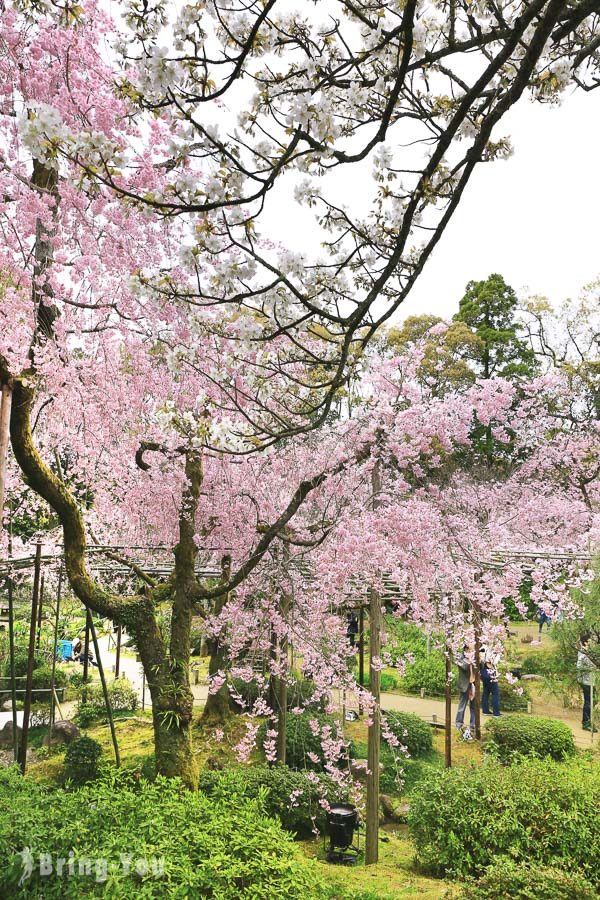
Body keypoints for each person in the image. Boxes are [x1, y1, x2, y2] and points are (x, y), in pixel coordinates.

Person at [577, 633, 597, 732]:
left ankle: (588, 720)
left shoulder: (588, 652)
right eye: (590, 641)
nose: (592, 642)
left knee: (594, 700)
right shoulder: (583, 653)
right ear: (585, 642)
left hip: (590, 680)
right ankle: (586, 723)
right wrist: (591, 669)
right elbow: (579, 666)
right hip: (586, 680)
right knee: (589, 701)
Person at [455, 648, 476, 739]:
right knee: (462, 706)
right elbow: (464, 667)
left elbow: (482, 666)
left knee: (474, 706)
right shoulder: (460, 657)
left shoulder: (475, 656)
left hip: (474, 684)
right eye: (469, 648)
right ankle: (459, 724)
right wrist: (470, 659)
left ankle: (473, 725)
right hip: (464, 685)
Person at [480, 649, 501, 717]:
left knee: (485, 693)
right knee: (495, 694)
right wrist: (498, 654)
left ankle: (485, 711)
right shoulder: (492, 651)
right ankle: (496, 713)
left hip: (484, 675)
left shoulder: (484, 651)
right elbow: (494, 662)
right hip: (491, 675)